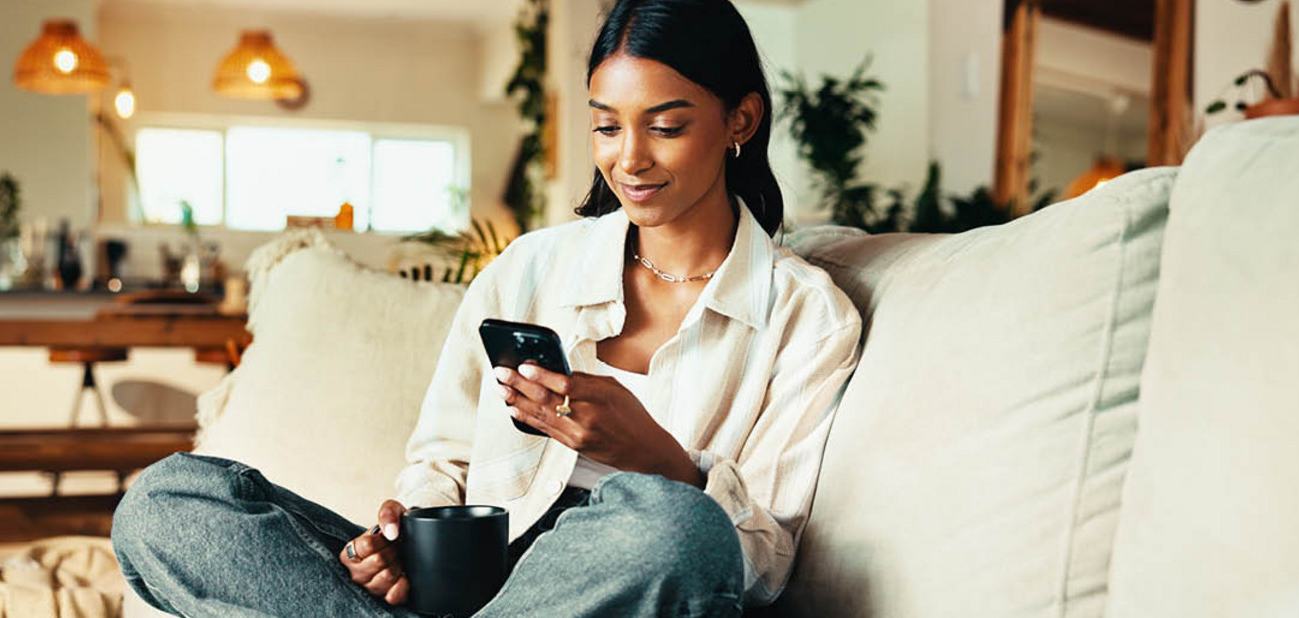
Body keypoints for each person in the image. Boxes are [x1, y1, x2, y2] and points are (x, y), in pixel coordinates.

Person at [111, 0, 862, 615]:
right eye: (606, 125)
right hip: (461, 588)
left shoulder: (806, 317)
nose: (628, 158)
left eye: (665, 126)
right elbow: (441, 461)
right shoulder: (533, 267)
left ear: (740, 120)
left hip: (616, 586)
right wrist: (406, 536)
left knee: (676, 529)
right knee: (170, 500)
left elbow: (762, 561)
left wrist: (661, 460)